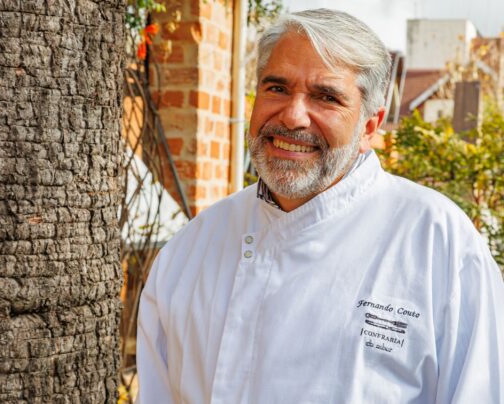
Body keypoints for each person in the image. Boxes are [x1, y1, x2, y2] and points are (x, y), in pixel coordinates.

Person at [136, 9, 504, 403]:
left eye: (326, 97)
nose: (293, 117)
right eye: (276, 89)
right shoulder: (191, 249)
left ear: (369, 126)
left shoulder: (440, 245)